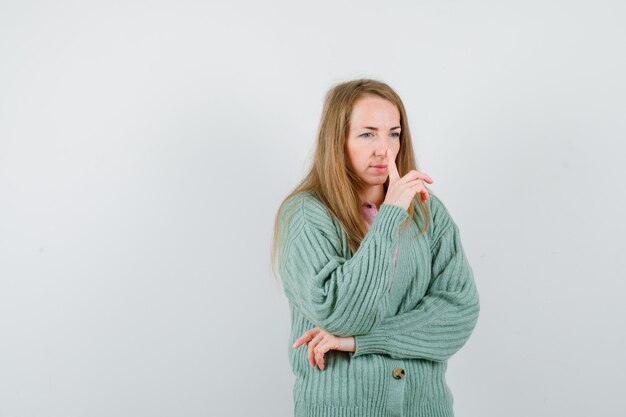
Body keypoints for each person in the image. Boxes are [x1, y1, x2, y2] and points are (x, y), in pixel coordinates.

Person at [270, 78, 480, 417]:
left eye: (393, 133)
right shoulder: (306, 215)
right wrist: (390, 216)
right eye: (367, 134)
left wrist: (360, 342)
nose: (384, 148)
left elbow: (458, 315)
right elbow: (341, 313)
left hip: (425, 408)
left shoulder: (428, 212)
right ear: (337, 140)